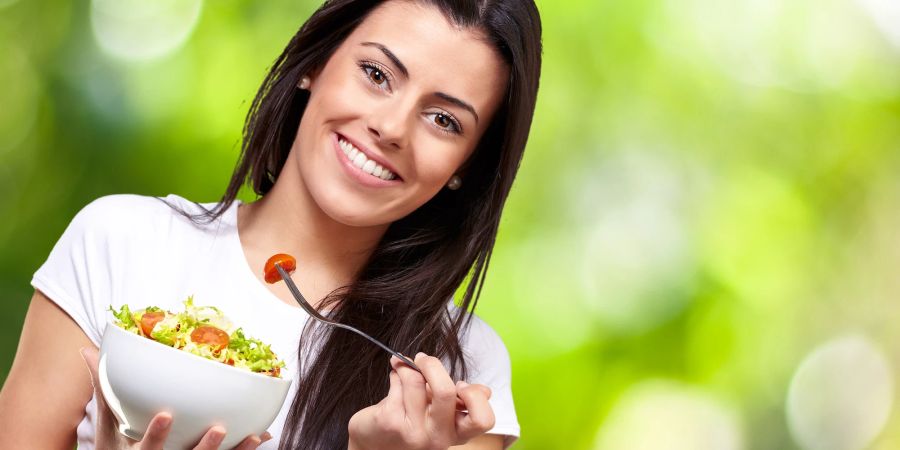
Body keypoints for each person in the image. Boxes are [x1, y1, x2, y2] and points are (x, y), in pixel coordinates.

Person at [0, 0, 542, 448]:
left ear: (466, 167)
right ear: (314, 63)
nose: (392, 127)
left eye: (443, 120)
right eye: (376, 75)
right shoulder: (122, 241)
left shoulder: (460, 373)